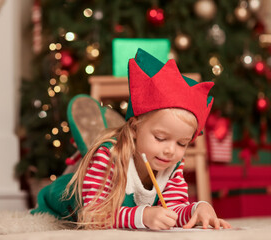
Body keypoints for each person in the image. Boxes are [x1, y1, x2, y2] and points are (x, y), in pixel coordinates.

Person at [31, 48, 232, 230]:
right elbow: (93, 215)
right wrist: (142, 215)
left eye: (182, 143)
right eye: (160, 138)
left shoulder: (172, 165)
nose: (171, 150)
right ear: (135, 128)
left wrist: (198, 209)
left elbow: (173, 210)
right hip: (58, 207)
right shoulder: (108, 155)